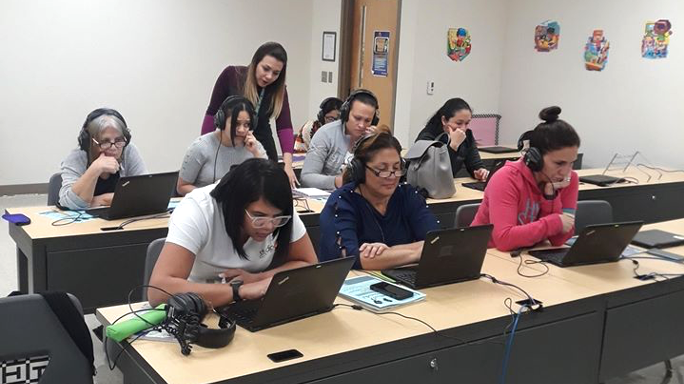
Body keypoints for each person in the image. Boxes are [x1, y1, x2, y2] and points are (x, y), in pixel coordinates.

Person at [148, 159, 318, 307]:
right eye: (258, 217)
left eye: (277, 218)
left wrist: (258, 279)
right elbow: (158, 291)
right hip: (198, 305)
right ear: (236, 205)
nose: (269, 226)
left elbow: (308, 263)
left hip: (253, 303)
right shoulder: (198, 209)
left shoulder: (276, 210)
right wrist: (238, 291)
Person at [318, 127, 439, 270]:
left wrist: (387, 254)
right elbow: (349, 258)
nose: (392, 176)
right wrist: (416, 251)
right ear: (360, 170)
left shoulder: (407, 195)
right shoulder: (342, 202)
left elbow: (436, 242)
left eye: (396, 168)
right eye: (382, 170)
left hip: (400, 279)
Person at [471, 106, 580, 251]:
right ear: (535, 157)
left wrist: (550, 198)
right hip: (488, 256)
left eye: (571, 163)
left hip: (527, 256)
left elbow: (559, 239)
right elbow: (504, 240)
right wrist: (553, 223)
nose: (566, 172)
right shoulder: (506, 178)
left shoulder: (569, 180)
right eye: (559, 163)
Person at [200, 42, 298, 187]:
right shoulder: (232, 76)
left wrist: (288, 165)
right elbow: (212, 113)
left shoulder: (279, 90)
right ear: (255, 62)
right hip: (229, 145)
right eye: (266, 69)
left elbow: (284, 127)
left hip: (261, 148)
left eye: (276, 73)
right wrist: (205, 148)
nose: (269, 76)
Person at [177, 96, 267, 196]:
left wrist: (256, 153)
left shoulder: (254, 146)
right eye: (236, 123)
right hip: (205, 205)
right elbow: (182, 187)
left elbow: (268, 183)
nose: (242, 130)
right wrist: (213, 194)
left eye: (247, 124)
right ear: (222, 121)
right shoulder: (201, 147)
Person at [59, 108, 147, 210]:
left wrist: (101, 200)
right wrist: (95, 169)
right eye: (105, 141)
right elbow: (68, 204)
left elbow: (144, 194)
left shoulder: (128, 150)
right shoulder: (77, 157)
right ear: (89, 142)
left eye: (119, 140)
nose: (113, 147)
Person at [301, 89, 379, 190]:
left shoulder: (373, 138)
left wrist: (377, 144)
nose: (361, 125)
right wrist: (336, 181)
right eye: (357, 118)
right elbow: (306, 177)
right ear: (346, 113)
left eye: (367, 121)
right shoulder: (326, 134)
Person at [415, 98, 488, 180]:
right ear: (444, 120)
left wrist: (480, 171)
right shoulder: (427, 137)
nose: (463, 128)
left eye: (467, 123)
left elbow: (475, 163)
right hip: (426, 185)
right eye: (459, 123)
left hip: (446, 185)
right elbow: (436, 171)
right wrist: (453, 146)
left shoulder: (466, 135)